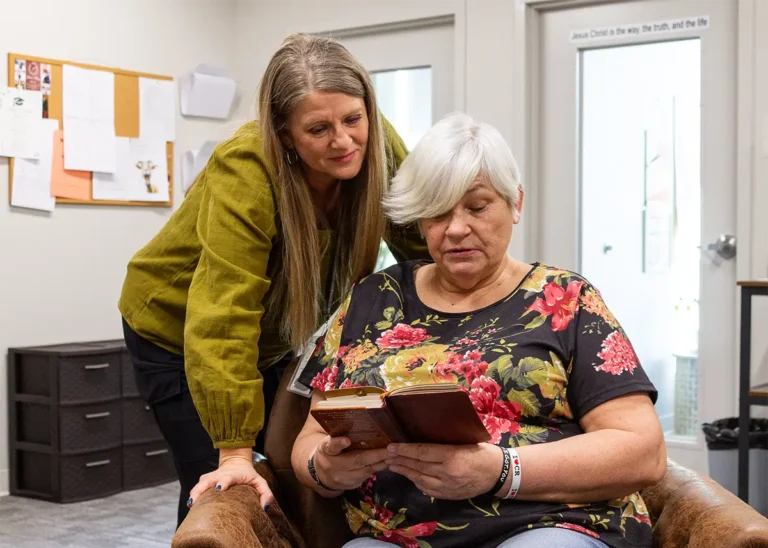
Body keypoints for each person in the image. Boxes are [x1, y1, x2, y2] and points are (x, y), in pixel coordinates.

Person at [292, 112, 666, 548]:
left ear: (516, 203)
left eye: (476, 206)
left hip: (548, 524)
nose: (455, 229)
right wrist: (325, 469)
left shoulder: (566, 300)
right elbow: (311, 438)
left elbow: (643, 450)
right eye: (436, 212)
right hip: (395, 539)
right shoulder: (372, 299)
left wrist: (503, 471)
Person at [118, 33, 427, 527]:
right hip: (177, 333)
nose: (344, 140)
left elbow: (425, 239)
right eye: (318, 129)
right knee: (220, 486)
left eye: (353, 119)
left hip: (276, 333)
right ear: (285, 134)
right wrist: (236, 454)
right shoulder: (246, 168)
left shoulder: (377, 142)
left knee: (289, 469)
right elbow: (224, 316)